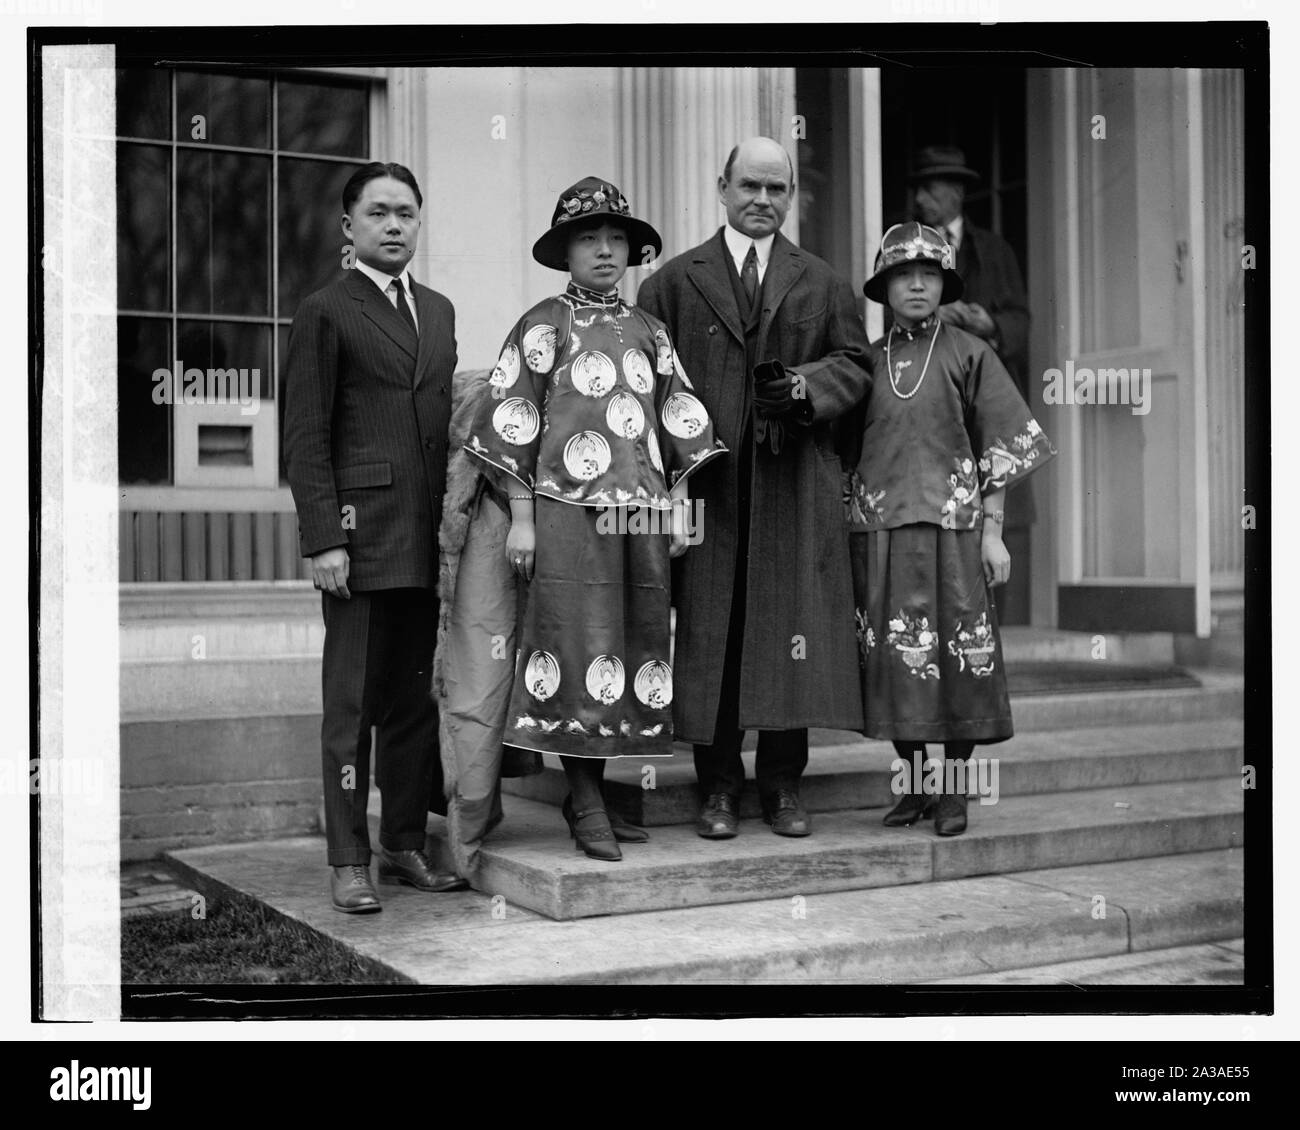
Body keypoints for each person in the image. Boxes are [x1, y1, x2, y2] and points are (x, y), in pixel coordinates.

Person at [463, 176, 725, 862]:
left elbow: (679, 424)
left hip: (637, 516)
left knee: (632, 644)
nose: (605, 251)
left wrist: (674, 509)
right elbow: (510, 424)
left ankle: (603, 791)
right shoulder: (541, 325)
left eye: (616, 239)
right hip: (565, 512)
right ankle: (581, 802)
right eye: (589, 239)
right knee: (577, 645)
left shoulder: (649, 330)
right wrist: (523, 519)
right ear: (566, 252)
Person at [636, 137, 872, 840]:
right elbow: (645, 388)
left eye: (777, 189)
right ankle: (716, 788)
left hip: (792, 488)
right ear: (722, 186)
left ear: (790, 195)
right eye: (750, 187)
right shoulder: (673, 283)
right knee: (717, 634)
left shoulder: (823, 281)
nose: (763, 201)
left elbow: (858, 367)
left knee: (789, 633)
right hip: (709, 493)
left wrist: (806, 386)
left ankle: (782, 786)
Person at [283, 161, 467, 913]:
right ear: (349, 226)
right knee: (351, 707)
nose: (395, 226)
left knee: (413, 704)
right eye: (380, 213)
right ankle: (348, 858)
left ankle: (402, 843)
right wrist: (326, 538)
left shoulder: (442, 310)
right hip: (359, 542)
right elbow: (305, 434)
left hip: (426, 542)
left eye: (407, 214)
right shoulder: (326, 311)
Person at [847, 222, 1055, 836]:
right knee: (897, 662)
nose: (916, 284)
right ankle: (913, 786)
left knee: (958, 661)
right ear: (884, 287)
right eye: (903, 275)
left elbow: (1003, 446)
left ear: (943, 284)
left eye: (928, 274)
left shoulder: (970, 352)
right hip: (881, 532)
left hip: (955, 529)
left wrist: (993, 533)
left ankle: (956, 792)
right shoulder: (864, 361)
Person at [909, 143, 1036, 620]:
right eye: (918, 188)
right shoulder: (910, 247)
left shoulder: (994, 250)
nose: (922, 198)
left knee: (997, 501)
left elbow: (1022, 323)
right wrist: (935, 311)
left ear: (957, 192)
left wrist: (990, 324)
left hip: (985, 394)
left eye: (931, 187)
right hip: (932, 394)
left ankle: (1002, 627)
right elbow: (896, 307)